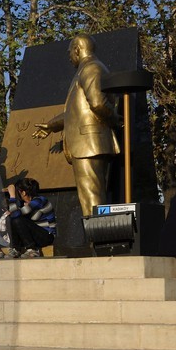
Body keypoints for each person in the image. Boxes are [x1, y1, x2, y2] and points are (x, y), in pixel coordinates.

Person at [34, 34, 120, 217]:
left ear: (77, 49)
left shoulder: (92, 68)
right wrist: (51, 126)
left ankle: (98, 239)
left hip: (89, 144)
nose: (69, 56)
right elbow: (75, 112)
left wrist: (116, 120)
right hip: (87, 144)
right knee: (91, 196)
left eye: (69, 52)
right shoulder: (85, 70)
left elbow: (97, 103)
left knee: (92, 197)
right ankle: (97, 236)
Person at [0, 177, 56, 259]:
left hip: (46, 236)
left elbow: (16, 215)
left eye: (18, 191)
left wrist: (12, 196)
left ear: (23, 193)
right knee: (11, 218)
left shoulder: (39, 201)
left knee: (17, 219)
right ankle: (15, 249)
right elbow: (13, 216)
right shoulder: (25, 204)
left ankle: (32, 250)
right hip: (33, 236)